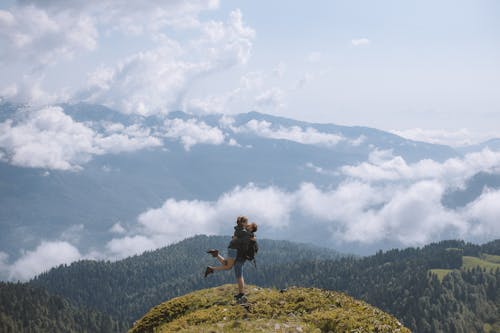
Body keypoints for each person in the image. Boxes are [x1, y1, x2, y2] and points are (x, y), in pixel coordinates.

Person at [205, 216, 257, 299]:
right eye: (247, 223)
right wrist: (252, 237)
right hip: (235, 252)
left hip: (235, 251)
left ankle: (216, 256)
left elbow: (239, 238)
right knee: (230, 268)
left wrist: (250, 236)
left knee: (227, 265)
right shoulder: (244, 232)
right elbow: (243, 238)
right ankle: (241, 293)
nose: (248, 225)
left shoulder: (241, 230)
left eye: (250, 225)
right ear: (243, 223)